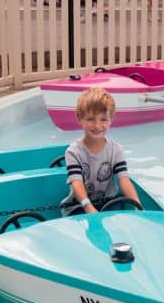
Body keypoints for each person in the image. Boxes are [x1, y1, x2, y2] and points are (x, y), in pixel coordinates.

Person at [60, 87, 140, 216]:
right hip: (79, 206)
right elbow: (77, 183)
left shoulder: (116, 150)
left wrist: (138, 207)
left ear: (111, 120)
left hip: (108, 204)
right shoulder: (73, 152)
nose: (97, 126)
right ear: (79, 118)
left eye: (103, 119)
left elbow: (124, 180)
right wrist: (88, 207)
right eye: (91, 119)